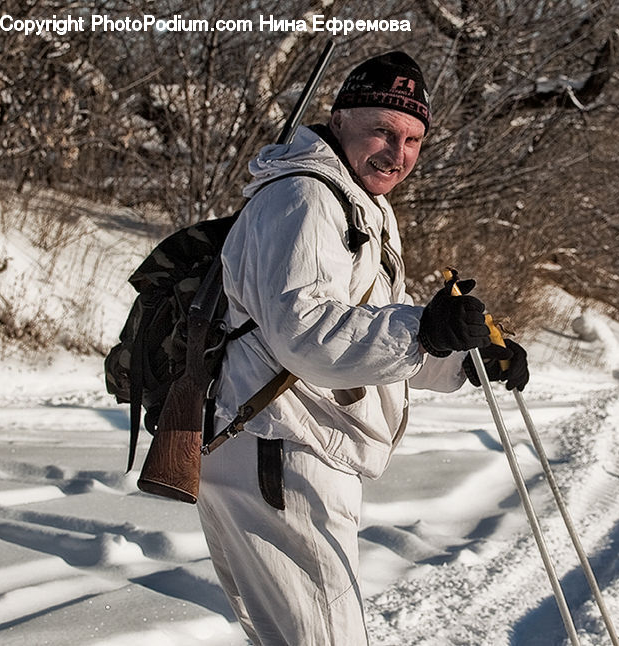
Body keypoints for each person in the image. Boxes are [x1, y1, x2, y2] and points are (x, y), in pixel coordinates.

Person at [197, 51, 529, 646]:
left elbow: (366, 333)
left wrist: (464, 359)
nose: (397, 154)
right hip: (279, 450)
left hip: (298, 449)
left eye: (412, 139)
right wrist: (423, 329)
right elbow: (307, 335)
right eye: (382, 130)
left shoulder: (365, 203)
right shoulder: (303, 199)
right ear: (341, 116)